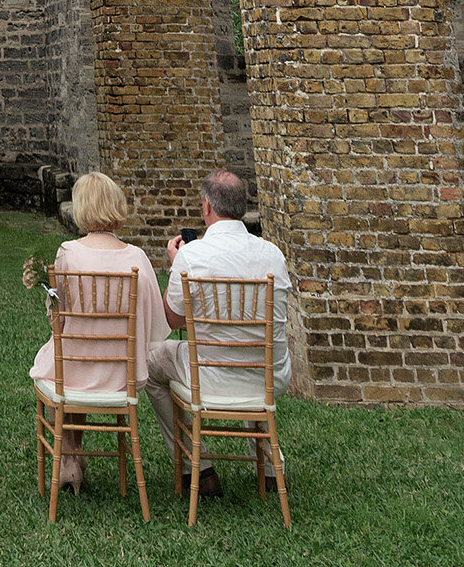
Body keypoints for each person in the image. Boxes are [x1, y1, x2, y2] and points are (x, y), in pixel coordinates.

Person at [143, 168, 293, 499]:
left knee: (151, 363)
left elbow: (173, 320)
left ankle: (197, 468)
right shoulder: (273, 254)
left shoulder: (191, 255)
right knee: (250, 354)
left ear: (207, 207)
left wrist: (176, 262)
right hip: (268, 374)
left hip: (210, 378)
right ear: (240, 207)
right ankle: (270, 468)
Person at [29, 170, 169, 494]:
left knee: (57, 360)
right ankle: (73, 459)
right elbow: (155, 328)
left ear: (82, 209)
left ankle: (69, 459)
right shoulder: (138, 257)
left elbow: (57, 319)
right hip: (122, 375)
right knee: (75, 360)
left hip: (73, 371)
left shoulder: (68, 253)